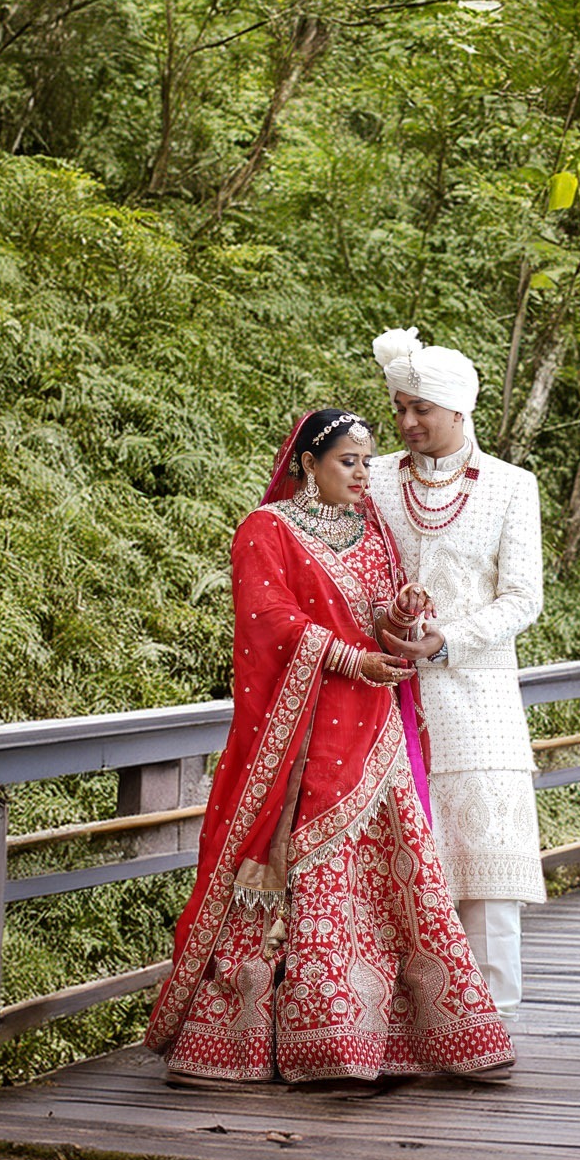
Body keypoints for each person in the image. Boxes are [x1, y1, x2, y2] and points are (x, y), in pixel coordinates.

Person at [145, 408, 514, 1085]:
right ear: (307, 463)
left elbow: (378, 614)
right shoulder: (268, 530)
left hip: (376, 725)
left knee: (394, 878)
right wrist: (350, 659)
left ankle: (393, 1036)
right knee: (308, 869)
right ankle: (305, 1038)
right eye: (348, 461)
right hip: (307, 731)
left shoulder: (372, 529)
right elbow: (272, 623)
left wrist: (402, 611)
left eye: (367, 462)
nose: (362, 474)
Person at [367, 329, 546, 1020]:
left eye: (422, 410)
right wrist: (388, 622)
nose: (409, 423)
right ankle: (410, 1017)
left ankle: (495, 1016)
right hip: (385, 687)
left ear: (459, 410)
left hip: (480, 694)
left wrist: (448, 642)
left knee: (486, 858)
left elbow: (523, 597)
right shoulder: (375, 477)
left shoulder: (510, 486)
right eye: (400, 409)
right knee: (402, 853)